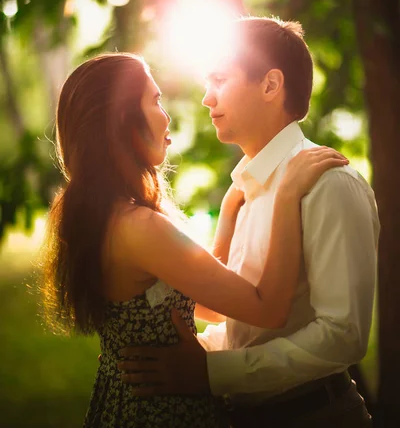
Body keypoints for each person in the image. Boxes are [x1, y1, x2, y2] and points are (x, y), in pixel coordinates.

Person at [40, 51, 347, 428]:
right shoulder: (139, 227)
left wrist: (230, 207)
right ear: (122, 120)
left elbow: (209, 300)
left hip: (132, 399)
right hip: (160, 412)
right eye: (154, 100)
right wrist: (285, 198)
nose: (166, 116)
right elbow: (267, 309)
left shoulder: (108, 215)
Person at [119, 18, 380, 428]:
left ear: (271, 86)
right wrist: (181, 354)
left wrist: (212, 373)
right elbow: (245, 328)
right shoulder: (243, 191)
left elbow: (343, 335)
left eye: (220, 80)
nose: (207, 98)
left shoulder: (331, 185)